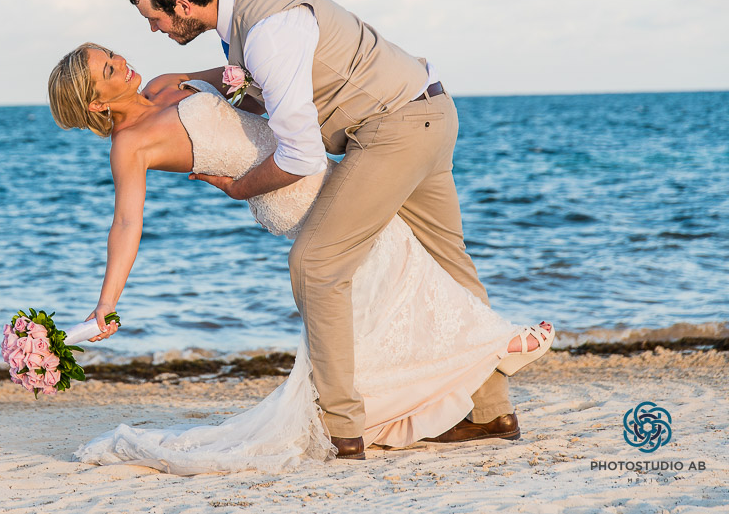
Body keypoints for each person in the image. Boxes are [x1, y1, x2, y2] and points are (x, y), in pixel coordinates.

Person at [47, 43, 553, 472]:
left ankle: (465, 366)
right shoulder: (130, 145)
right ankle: (497, 341)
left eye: (112, 54)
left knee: (392, 268)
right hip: (286, 196)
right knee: (394, 256)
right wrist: (106, 304)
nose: (122, 61)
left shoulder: (164, 83)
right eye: (108, 68)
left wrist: (259, 86)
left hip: (311, 165)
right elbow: (126, 224)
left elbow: (248, 81)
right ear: (96, 103)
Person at [123, 0, 525, 461]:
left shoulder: (266, 30)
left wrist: (240, 187)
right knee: (447, 264)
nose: (153, 29)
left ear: (181, 5)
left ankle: (343, 429)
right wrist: (200, 83)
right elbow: (269, 89)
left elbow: (302, 155)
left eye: (154, 18)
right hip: (429, 109)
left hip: (392, 128)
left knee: (315, 264)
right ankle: (492, 412)